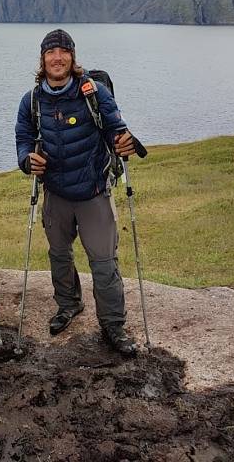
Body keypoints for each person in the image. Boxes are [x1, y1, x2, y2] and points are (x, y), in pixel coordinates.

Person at [15, 28, 139, 355]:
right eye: (50, 52)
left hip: (94, 191)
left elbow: (116, 129)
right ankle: (69, 305)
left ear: (72, 56)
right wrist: (27, 160)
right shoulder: (31, 101)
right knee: (58, 254)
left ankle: (113, 325)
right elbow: (23, 140)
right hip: (56, 193)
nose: (57, 57)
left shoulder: (94, 93)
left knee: (103, 262)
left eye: (63, 51)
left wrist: (124, 142)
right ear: (43, 59)